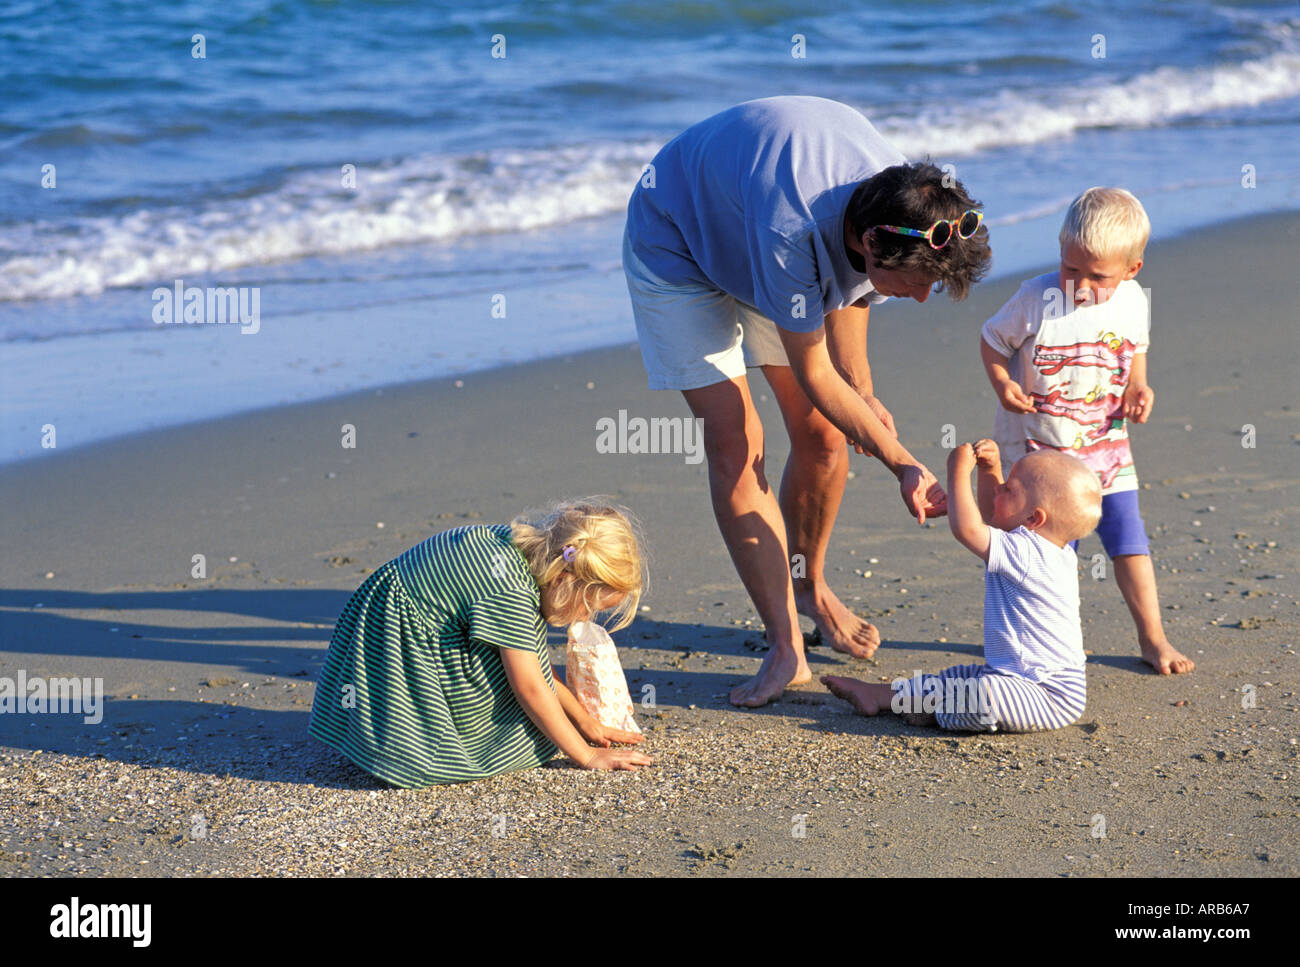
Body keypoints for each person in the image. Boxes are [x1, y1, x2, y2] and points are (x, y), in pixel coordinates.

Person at [623, 95, 992, 706]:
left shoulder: (909, 199)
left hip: (760, 225)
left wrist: (865, 397)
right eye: (920, 285)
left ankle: (807, 584)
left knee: (826, 436)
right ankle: (785, 648)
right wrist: (904, 462)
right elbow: (818, 375)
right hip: (679, 239)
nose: (923, 301)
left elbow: (850, 300)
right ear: (871, 244)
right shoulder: (790, 228)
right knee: (738, 445)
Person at [979, 187, 1193, 675]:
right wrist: (1003, 382)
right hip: (1041, 457)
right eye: (1070, 269)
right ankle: (1040, 645)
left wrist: (1139, 386)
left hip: (1107, 449)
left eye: (1098, 277)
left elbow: (1135, 348)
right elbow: (992, 340)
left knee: (1129, 540)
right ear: (1060, 252)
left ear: (1131, 270)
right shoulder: (1035, 298)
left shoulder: (1134, 300)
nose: (1079, 285)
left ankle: (1152, 637)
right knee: (1045, 556)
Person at [309, 498, 652, 787]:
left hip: (383, 623)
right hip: (400, 649)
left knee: (536, 706)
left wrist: (583, 720)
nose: (584, 618)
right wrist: (586, 754)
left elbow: (533, 662)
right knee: (525, 736)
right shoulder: (511, 593)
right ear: (565, 580)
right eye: (589, 607)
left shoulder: (517, 547)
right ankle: (400, 743)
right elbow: (530, 685)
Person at [822, 441, 1102, 732]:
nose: (999, 488)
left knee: (983, 694)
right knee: (958, 678)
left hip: (1048, 694)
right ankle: (880, 696)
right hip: (1016, 677)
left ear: (1033, 519)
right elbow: (995, 516)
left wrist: (957, 472)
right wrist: (989, 469)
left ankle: (935, 711)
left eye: (1009, 488)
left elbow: (968, 528)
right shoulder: (1054, 549)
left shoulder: (1028, 554)